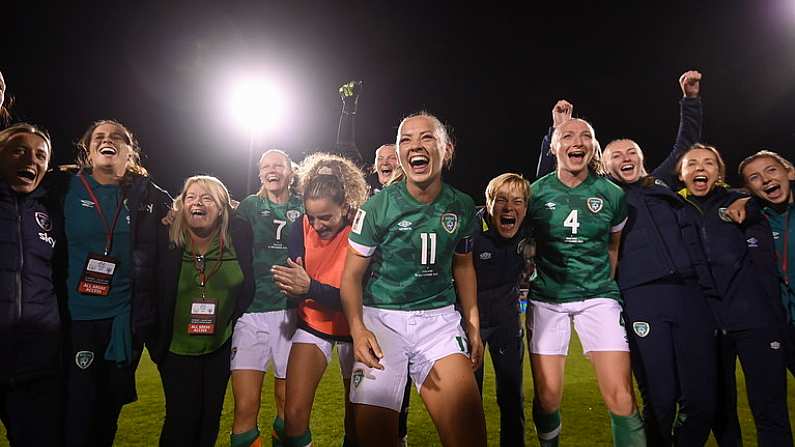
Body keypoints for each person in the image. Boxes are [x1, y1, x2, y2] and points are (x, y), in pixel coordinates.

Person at [592, 71, 724, 445]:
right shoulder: (602, 197)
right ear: (605, 165)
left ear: (643, 158)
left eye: (631, 152)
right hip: (640, 297)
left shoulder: (663, 182)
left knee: (701, 401)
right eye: (616, 155)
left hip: (690, 296)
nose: (625, 157)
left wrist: (691, 100)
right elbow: (556, 189)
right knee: (660, 400)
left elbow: (687, 144)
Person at [341, 112, 487, 447]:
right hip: (382, 321)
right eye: (405, 139)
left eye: (426, 137)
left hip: (438, 322)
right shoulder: (378, 206)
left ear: (445, 149)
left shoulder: (462, 206)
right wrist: (358, 328)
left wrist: (473, 322)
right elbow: (350, 276)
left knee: (470, 438)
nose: (414, 146)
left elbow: (464, 266)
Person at [527, 117, 646, 446]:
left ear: (594, 147)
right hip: (548, 298)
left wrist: (601, 288)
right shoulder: (535, 193)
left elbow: (613, 246)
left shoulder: (612, 194)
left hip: (598, 297)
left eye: (586, 136)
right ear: (554, 147)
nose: (577, 142)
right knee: (548, 398)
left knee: (621, 397)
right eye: (567, 136)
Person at [53, 120, 171, 447]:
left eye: (117, 137)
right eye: (99, 138)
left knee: (108, 415)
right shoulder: (61, 187)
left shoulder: (150, 197)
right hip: (76, 320)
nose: (108, 140)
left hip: (124, 322)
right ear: (88, 153)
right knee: (75, 415)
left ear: (130, 152)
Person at [675, 144, 792, 446]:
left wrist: (745, 200)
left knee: (770, 407)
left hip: (757, 320)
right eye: (692, 164)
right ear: (681, 174)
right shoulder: (674, 208)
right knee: (721, 411)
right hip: (709, 324)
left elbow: (764, 194)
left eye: (709, 163)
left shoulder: (745, 202)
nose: (700, 168)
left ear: (719, 173)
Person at [271, 153, 369, 447]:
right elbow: (297, 282)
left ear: (346, 206)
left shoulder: (363, 226)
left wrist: (309, 288)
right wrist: (293, 287)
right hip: (313, 323)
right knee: (294, 415)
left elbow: (358, 297)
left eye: (325, 217)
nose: (316, 225)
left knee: (357, 421)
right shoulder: (299, 227)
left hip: (356, 329)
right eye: (311, 216)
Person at [148, 175, 254, 446]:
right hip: (176, 351)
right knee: (180, 423)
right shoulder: (166, 238)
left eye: (207, 198)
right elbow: (149, 289)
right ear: (181, 205)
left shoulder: (238, 237)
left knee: (209, 423)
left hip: (219, 349)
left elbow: (247, 286)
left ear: (222, 208)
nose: (198, 203)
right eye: (191, 197)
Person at [231, 149, 304, 447]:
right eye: (265, 167)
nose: (271, 171)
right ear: (260, 173)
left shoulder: (305, 205)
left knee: (288, 408)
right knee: (245, 407)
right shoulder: (248, 207)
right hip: (251, 313)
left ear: (290, 171)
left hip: (292, 313)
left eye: (278, 165)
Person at [0, 124, 62, 445]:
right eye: (19, 150)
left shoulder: (52, 211)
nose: (31, 160)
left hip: (37, 365)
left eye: (40, 155)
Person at [472, 173, 530, 447]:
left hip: (507, 322)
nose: (509, 208)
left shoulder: (528, 228)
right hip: (470, 322)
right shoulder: (470, 227)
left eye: (517, 201)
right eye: (502, 200)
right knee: (469, 398)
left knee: (511, 396)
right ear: (488, 204)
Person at [736, 150, 795, 376]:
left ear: (789, 172)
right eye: (755, 177)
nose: (766, 179)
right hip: (785, 326)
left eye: (771, 170)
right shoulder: (754, 220)